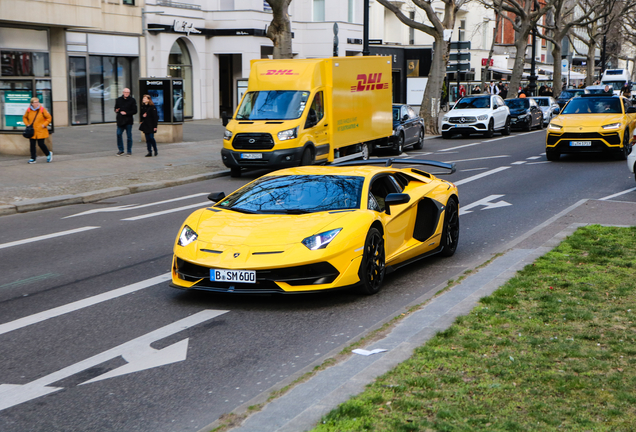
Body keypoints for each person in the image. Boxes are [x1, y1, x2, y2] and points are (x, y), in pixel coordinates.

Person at [22, 97, 52, 164]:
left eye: (38, 102)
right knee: (32, 144)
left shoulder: (42, 109)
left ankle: (48, 154)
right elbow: (24, 117)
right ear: (32, 103)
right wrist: (27, 124)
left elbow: (49, 118)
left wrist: (44, 124)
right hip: (32, 131)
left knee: (41, 144)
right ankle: (33, 158)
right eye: (35, 102)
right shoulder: (29, 110)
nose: (37, 103)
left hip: (41, 130)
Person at [114, 88, 137, 156]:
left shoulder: (132, 100)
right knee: (118, 134)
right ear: (123, 92)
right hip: (120, 120)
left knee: (129, 136)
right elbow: (115, 108)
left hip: (128, 120)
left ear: (129, 93)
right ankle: (121, 150)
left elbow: (135, 111)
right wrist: (116, 110)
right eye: (125, 92)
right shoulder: (119, 100)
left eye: (127, 92)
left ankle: (129, 150)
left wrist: (126, 113)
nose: (126, 93)